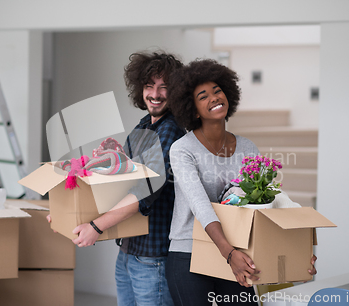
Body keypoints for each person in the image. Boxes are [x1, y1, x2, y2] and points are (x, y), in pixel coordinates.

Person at [166, 59, 317, 306]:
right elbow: (201, 206)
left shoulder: (247, 147)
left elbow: (268, 201)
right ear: (192, 109)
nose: (214, 98)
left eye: (217, 91)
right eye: (203, 96)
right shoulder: (182, 149)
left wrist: (298, 251)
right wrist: (230, 254)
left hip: (236, 251)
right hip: (190, 255)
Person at [51, 51, 185, 306]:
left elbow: (146, 190)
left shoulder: (170, 129)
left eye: (164, 87)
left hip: (152, 255)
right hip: (129, 250)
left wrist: (96, 226)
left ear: (176, 91)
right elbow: (120, 183)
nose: (155, 94)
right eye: (149, 86)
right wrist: (68, 212)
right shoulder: (145, 125)